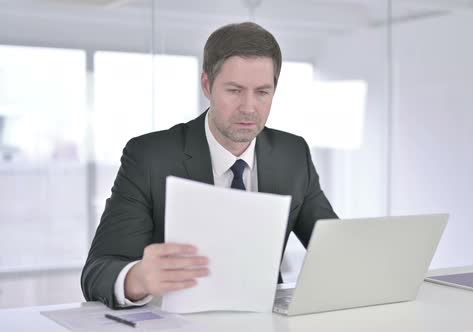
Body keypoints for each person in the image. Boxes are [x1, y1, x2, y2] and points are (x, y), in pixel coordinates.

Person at [81, 22, 338, 309]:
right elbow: (97, 272)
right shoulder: (150, 156)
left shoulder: (293, 154)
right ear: (207, 85)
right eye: (234, 90)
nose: (249, 107)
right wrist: (139, 278)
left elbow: (335, 248)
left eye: (262, 92)